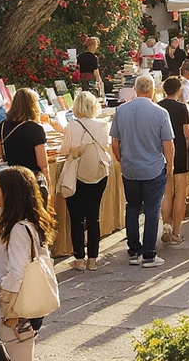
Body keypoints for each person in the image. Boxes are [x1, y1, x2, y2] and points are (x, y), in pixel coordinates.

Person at [0, 166, 57, 360]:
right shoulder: (30, 223)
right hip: (24, 310)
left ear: (10, 192)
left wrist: (1, 298)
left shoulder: (19, 229)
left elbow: (17, 273)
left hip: (14, 312)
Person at [110, 75, 175, 268]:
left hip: (130, 167)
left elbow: (114, 142)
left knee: (132, 207)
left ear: (136, 90)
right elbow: (168, 143)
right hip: (153, 167)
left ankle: (133, 251)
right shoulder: (160, 112)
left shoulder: (121, 111)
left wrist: (121, 159)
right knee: (152, 209)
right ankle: (148, 254)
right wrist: (169, 164)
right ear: (153, 90)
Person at [61, 91, 111, 270]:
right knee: (93, 216)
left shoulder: (73, 125)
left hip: (77, 174)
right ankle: (93, 259)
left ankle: (79, 258)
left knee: (77, 218)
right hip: (98, 173)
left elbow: (64, 149)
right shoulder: (102, 124)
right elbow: (106, 145)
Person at [157, 77, 189, 245]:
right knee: (180, 194)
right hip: (179, 154)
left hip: (162, 153)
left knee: (167, 193)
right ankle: (177, 232)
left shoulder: (158, 106)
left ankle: (166, 227)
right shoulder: (182, 108)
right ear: (178, 90)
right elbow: (187, 133)